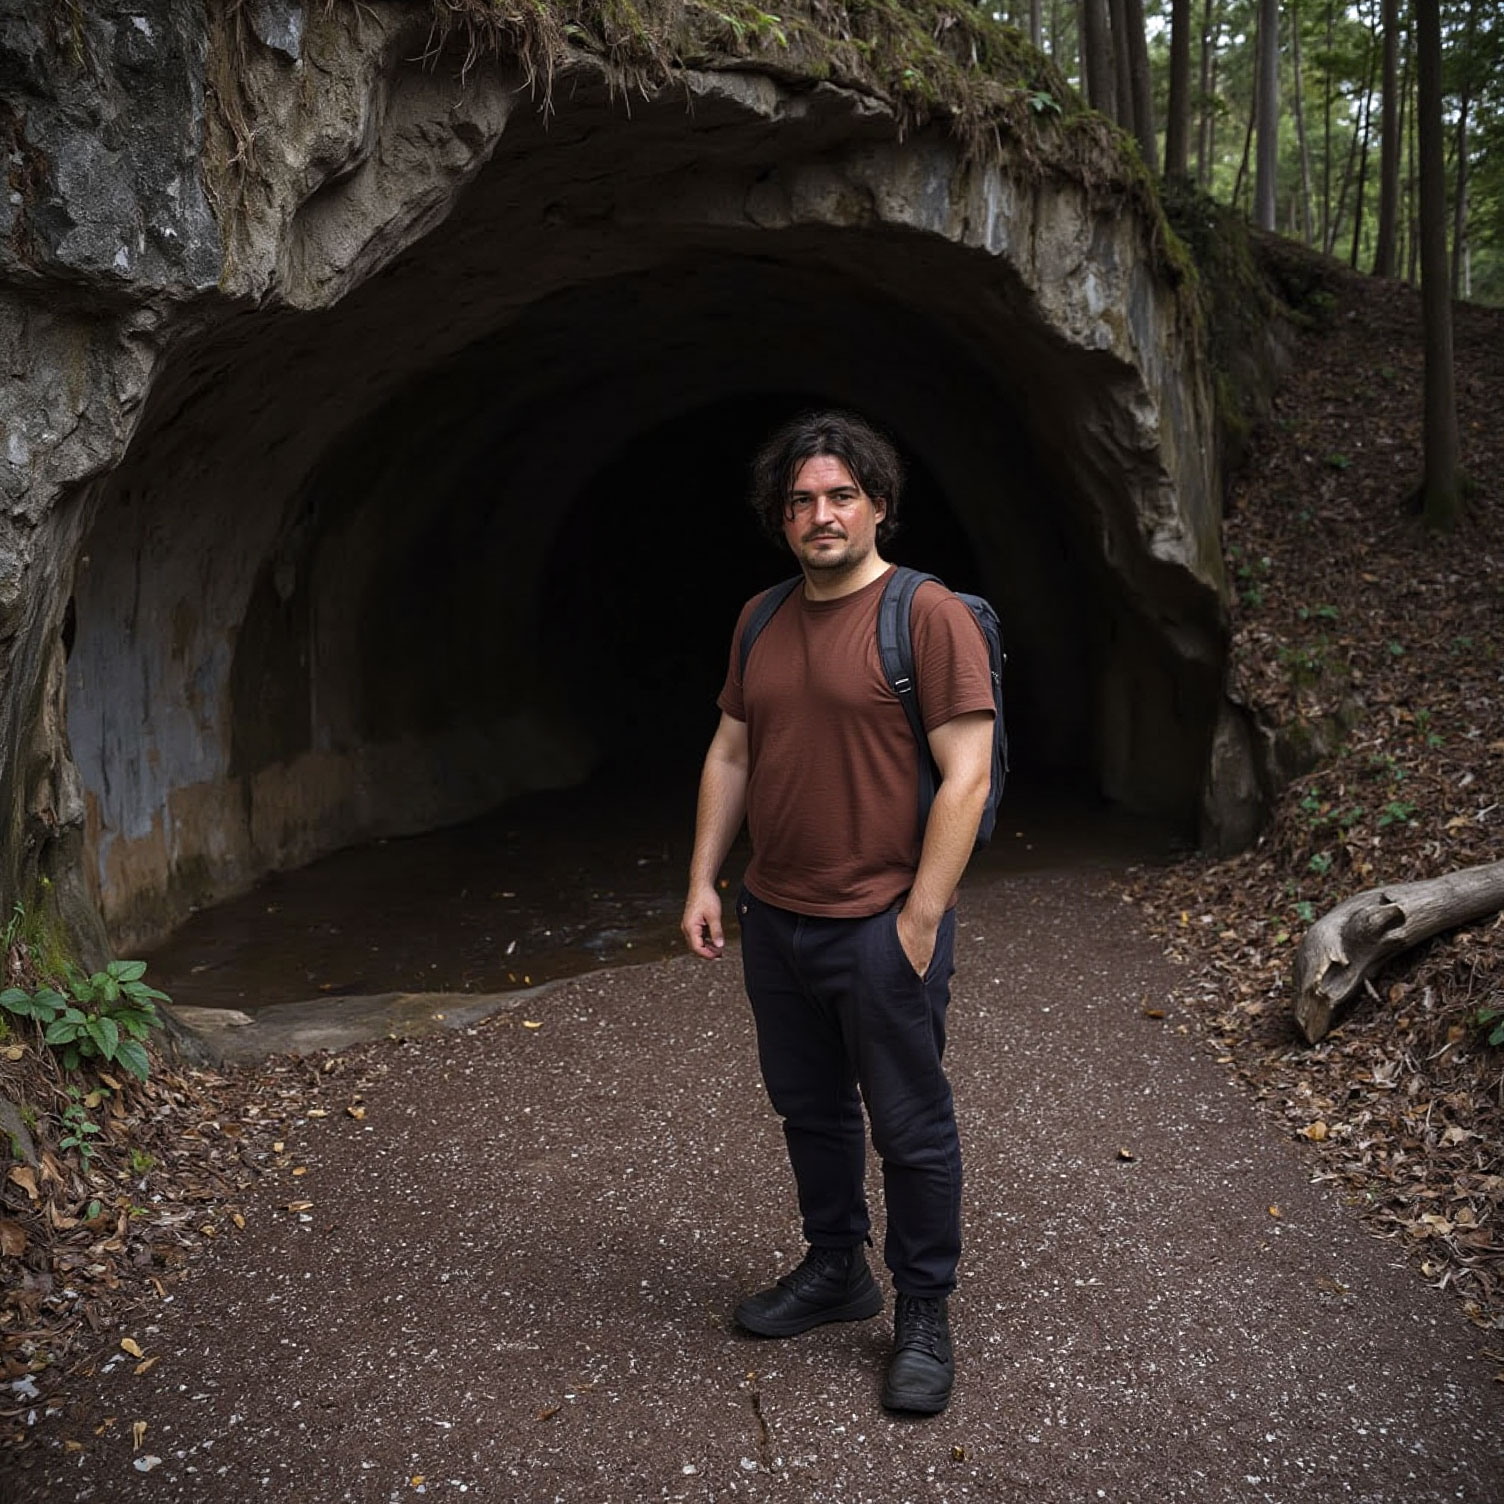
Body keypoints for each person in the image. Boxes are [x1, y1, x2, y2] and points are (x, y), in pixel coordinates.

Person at [680, 410, 995, 1416]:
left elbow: (967, 773)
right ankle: (834, 1270)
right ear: (781, 519)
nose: (820, 515)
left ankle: (923, 1311)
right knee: (809, 1108)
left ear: (878, 506)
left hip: (879, 919)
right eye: (802, 500)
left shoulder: (925, 615)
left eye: (840, 496)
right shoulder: (759, 617)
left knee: (909, 1124)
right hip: (776, 915)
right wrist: (702, 879)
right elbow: (731, 751)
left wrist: (918, 919)